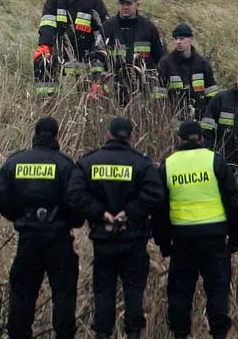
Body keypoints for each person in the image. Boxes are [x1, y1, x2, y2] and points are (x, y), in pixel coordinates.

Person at [66, 117, 162, 339]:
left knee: (103, 292)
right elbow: (155, 196)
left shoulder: (90, 161)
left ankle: (102, 334)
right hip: (134, 239)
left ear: (108, 134)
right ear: (131, 136)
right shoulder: (142, 163)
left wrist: (101, 213)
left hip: (103, 240)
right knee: (134, 292)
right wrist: (129, 213)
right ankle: (134, 334)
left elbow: (74, 194)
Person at [0, 117, 80, 339]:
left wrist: (21, 217)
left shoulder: (15, 162)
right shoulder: (65, 165)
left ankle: (18, 335)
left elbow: (2, 199)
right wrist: (68, 222)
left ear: (35, 134)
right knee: (63, 293)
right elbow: (77, 202)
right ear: (57, 135)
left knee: (22, 293)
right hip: (58, 238)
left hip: (28, 238)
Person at [154, 120, 238, 339]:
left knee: (180, 293)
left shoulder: (168, 165)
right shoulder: (215, 161)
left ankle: (181, 334)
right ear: (202, 139)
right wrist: (235, 239)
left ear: (179, 140)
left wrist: (164, 243)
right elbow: (233, 202)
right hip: (215, 240)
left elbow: (159, 210)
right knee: (217, 291)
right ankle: (219, 334)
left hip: (182, 242)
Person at [32, 0, 108, 95]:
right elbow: (48, 21)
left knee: (99, 68)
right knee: (41, 60)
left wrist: (97, 53)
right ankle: (46, 98)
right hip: (59, 48)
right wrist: (45, 45)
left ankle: (90, 100)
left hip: (84, 52)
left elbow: (102, 30)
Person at [100, 0, 164, 103]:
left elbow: (160, 57)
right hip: (114, 86)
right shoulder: (108, 27)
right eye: (122, 3)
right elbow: (97, 55)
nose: (125, 7)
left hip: (142, 86)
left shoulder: (148, 27)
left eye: (129, 4)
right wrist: (98, 79)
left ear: (137, 5)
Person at [155, 22, 219, 119]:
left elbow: (211, 94)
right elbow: (159, 96)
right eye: (176, 39)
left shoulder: (202, 64)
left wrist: (207, 115)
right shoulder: (165, 64)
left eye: (182, 38)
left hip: (199, 117)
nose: (178, 42)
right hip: (174, 117)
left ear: (191, 39)